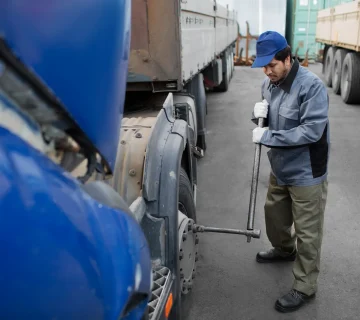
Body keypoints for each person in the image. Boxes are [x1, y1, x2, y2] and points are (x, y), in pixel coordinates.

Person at [250, 31, 329, 313]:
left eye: (271, 65)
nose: (266, 71)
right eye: (263, 65)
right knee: (274, 217)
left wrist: (267, 136)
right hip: (280, 166)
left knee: (308, 233)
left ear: (287, 58)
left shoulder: (311, 87)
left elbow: (311, 131)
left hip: (306, 170)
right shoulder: (268, 85)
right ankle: (284, 249)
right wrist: (258, 116)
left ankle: (305, 286)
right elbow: (268, 121)